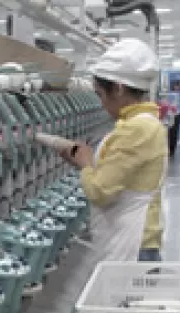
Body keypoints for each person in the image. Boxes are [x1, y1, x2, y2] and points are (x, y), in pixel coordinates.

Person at [59, 38, 167, 262]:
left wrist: (86, 163)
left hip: (133, 242)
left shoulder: (138, 128)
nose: (101, 104)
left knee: (125, 296)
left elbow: (101, 192)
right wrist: (81, 161)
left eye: (100, 94)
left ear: (117, 88)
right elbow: (123, 176)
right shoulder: (139, 124)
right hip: (130, 237)